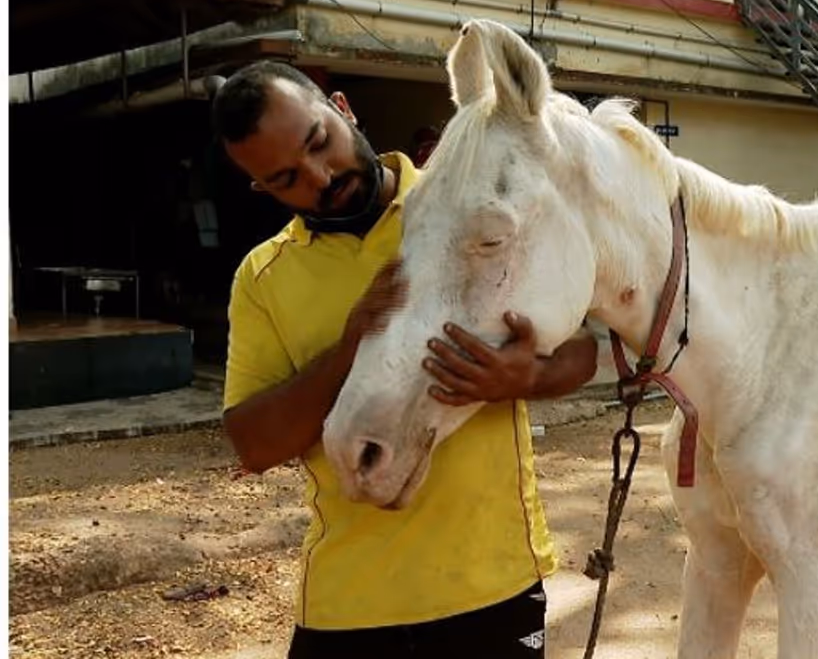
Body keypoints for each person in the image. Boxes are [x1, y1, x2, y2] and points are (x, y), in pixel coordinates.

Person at [210, 60, 599, 658]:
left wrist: (529, 375)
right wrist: (348, 347)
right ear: (263, 189)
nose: (319, 176)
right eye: (287, 177)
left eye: (320, 142)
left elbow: (582, 349)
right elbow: (253, 444)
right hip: (348, 603)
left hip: (493, 582)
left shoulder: (476, 207)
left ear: (342, 108)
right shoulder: (262, 278)